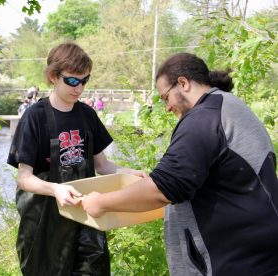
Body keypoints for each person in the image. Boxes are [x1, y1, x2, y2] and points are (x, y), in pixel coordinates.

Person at [82, 53, 278, 275]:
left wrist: (101, 202)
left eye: (166, 98)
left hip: (229, 260)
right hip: (256, 254)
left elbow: (164, 188)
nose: (166, 107)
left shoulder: (203, 120)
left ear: (183, 83)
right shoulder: (230, 106)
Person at [7, 42, 145, 275]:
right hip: (44, 222)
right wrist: (56, 190)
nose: (79, 88)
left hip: (85, 217)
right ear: (53, 76)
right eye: (72, 81)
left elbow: (102, 165)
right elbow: (24, 179)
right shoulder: (35, 117)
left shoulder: (87, 114)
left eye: (84, 81)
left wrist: (128, 173)